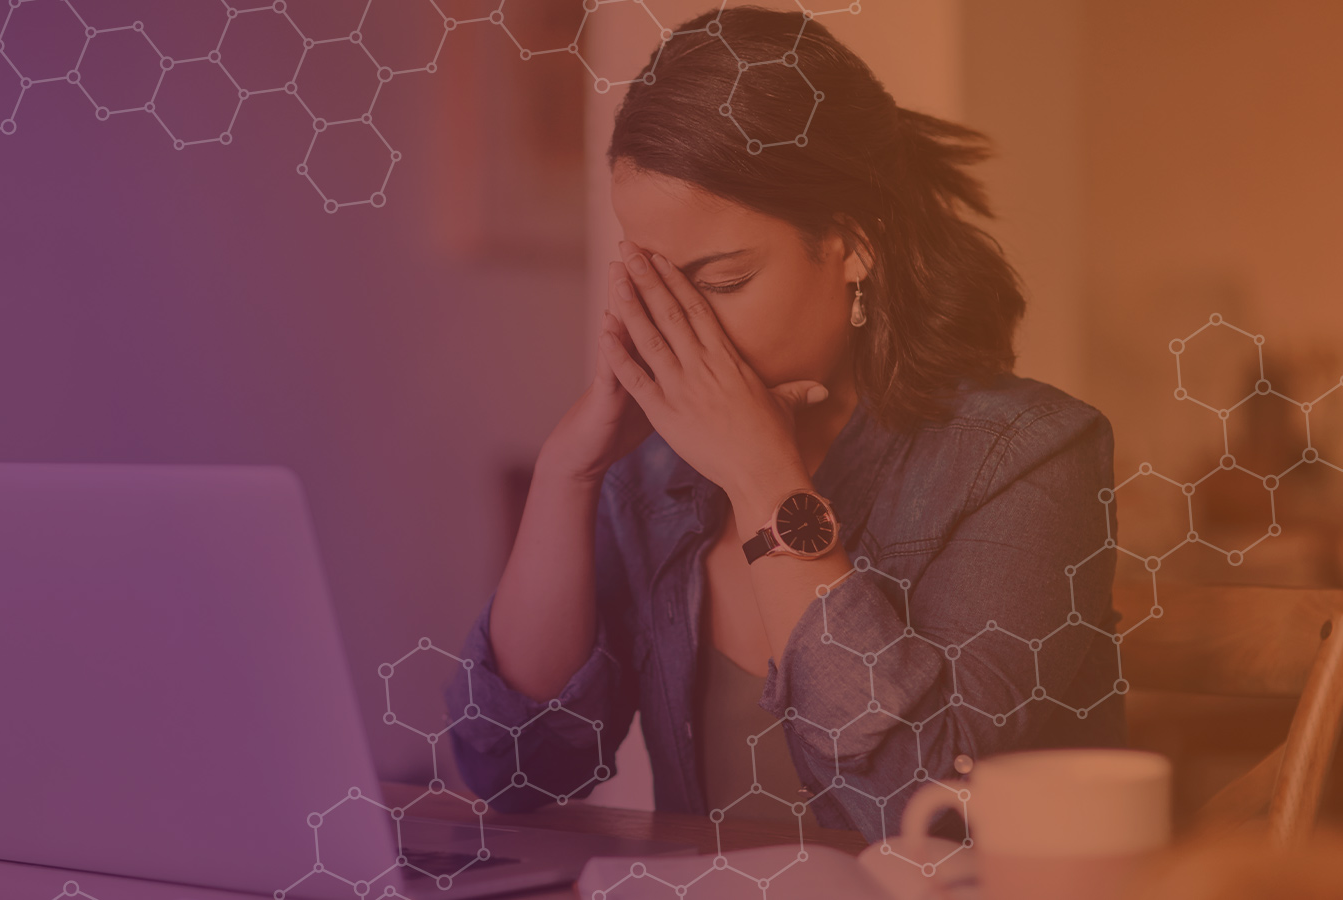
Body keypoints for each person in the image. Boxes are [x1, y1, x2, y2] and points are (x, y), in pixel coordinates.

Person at [442, 5, 1123, 846]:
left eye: (722, 281)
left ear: (853, 242)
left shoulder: (1029, 457)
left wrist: (765, 480)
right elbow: (513, 769)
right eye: (658, 284)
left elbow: (925, 817)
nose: (686, 330)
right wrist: (568, 475)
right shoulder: (657, 476)